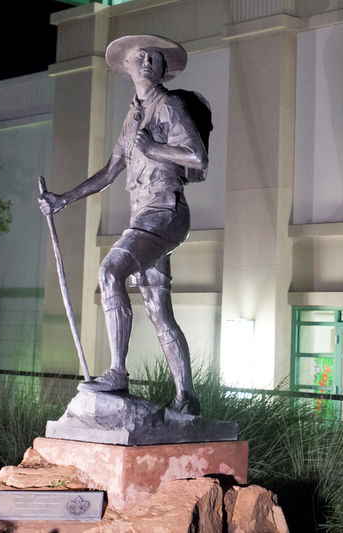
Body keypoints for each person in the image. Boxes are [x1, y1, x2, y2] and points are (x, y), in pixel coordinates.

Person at [38, 34, 208, 415]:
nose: (147, 62)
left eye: (154, 58)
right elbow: (111, 170)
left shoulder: (171, 105)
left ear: (164, 69)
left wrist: (154, 149)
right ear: (128, 68)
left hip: (164, 213)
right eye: (140, 57)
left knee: (111, 270)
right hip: (144, 219)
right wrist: (63, 199)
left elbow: (198, 158)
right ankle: (187, 398)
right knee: (159, 311)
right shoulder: (133, 117)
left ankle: (117, 372)